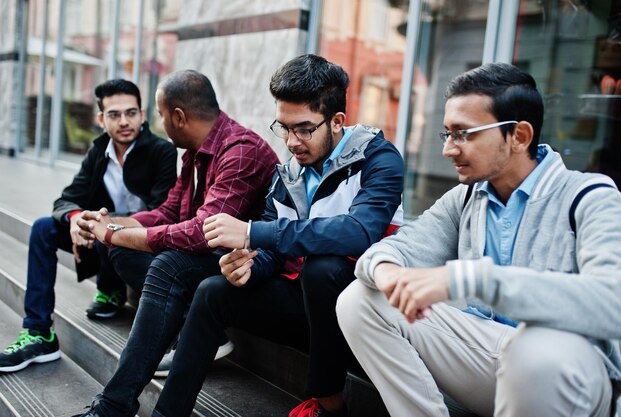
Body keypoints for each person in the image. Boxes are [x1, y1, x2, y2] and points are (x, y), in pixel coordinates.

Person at [336, 62, 621, 417]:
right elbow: (393, 249)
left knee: (533, 350)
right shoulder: (467, 197)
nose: (448, 149)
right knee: (359, 300)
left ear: (519, 136)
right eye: (447, 134)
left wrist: (469, 278)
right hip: (489, 359)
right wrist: (390, 275)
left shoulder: (590, 197)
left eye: (464, 133)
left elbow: (616, 304)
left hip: (565, 375)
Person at [145, 54, 405, 417]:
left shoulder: (379, 159)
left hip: (362, 311)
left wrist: (253, 232)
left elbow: (359, 232)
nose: (291, 141)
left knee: (323, 267)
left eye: (303, 129)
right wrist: (249, 265)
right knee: (212, 291)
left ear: (337, 121)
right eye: (283, 127)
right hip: (304, 307)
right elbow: (270, 249)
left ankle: (329, 406)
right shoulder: (288, 173)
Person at [71, 69, 280, 417]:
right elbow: (170, 212)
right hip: (209, 256)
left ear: (178, 117)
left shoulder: (240, 150)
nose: (159, 122)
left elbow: (202, 233)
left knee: (167, 263)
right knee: (124, 249)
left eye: (160, 114)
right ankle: (190, 327)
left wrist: (115, 232)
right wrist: (109, 225)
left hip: (248, 264)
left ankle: (113, 406)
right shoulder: (194, 153)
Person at [0, 79, 177, 373]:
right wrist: (76, 220)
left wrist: (100, 222)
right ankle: (39, 333)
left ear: (143, 115)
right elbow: (66, 200)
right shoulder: (97, 152)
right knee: (44, 228)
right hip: (101, 240)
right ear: (101, 119)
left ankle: (112, 290)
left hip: (143, 248)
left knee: (104, 227)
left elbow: (164, 213)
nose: (124, 122)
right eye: (114, 114)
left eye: (131, 113)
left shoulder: (162, 152)